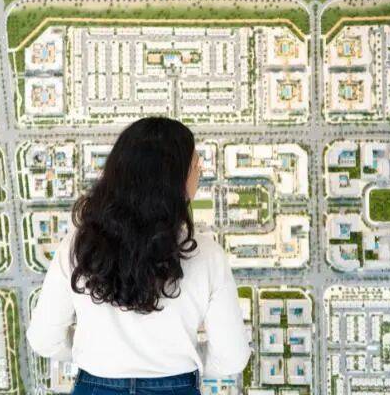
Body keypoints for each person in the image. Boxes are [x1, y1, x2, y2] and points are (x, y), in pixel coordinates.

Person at [26, 117, 251, 395]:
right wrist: (190, 361)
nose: (200, 170)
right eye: (195, 164)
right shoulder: (207, 255)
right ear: (173, 180)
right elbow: (232, 357)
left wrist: (90, 354)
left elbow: (43, 339)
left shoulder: (77, 247)